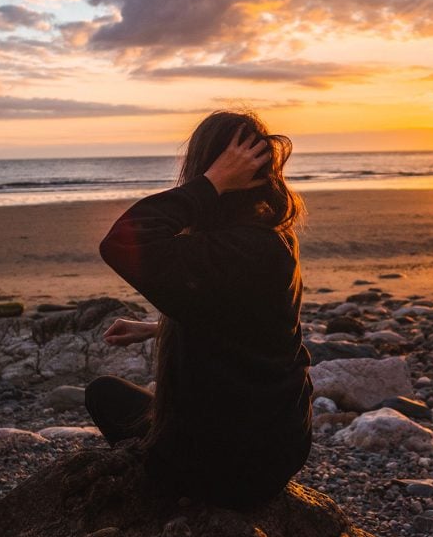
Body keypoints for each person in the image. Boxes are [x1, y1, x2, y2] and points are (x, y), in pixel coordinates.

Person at [85, 110, 313, 510]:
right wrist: (160, 326)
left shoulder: (238, 248)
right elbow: (248, 320)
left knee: (103, 394)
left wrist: (210, 184)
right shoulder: (272, 239)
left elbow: (121, 241)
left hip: (221, 470)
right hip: (278, 451)